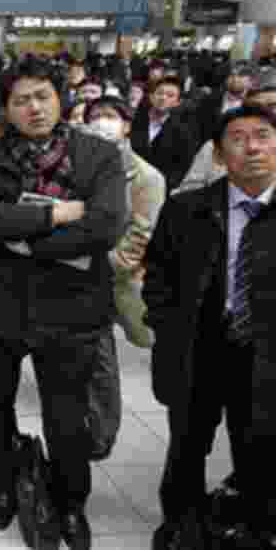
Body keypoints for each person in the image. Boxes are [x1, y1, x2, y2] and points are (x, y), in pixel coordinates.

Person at [0, 62, 125, 550]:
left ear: (60, 100)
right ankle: (5, 483)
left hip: (72, 308)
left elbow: (105, 224)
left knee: (66, 416)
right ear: (7, 110)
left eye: (42, 97)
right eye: (20, 101)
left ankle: (71, 502)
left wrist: (28, 242)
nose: (33, 108)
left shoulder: (97, 154)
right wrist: (54, 215)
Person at [145, 106, 276, 550]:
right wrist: (167, 329)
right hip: (198, 347)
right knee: (187, 445)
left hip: (265, 357)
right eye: (238, 138)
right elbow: (158, 279)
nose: (253, 147)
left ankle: (255, 526)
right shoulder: (186, 209)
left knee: (258, 447)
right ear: (219, 154)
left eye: (263, 136)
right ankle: (180, 524)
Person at [82, 96, 166, 464]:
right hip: (78, 272)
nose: (103, 122)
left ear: (127, 125)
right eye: (95, 117)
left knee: (101, 361)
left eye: (110, 116)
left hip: (111, 278)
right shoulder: (84, 168)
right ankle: (90, 424)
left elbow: (141, 235)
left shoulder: (146, 176)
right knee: (88, 356)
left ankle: (102, 433)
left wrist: (103, 267)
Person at [177, 73, 276, 195]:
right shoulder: (216, 146)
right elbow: (188, 191)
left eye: (273, 106)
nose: (266, 113)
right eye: (257, 108)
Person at [131, 77, 202, 193]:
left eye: (170, 95)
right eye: (159, 93)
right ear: (151, 96)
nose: (163, 98)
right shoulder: (133, 122)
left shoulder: (183, 132)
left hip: (160, 190)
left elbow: (182, 167)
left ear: (178, 102)